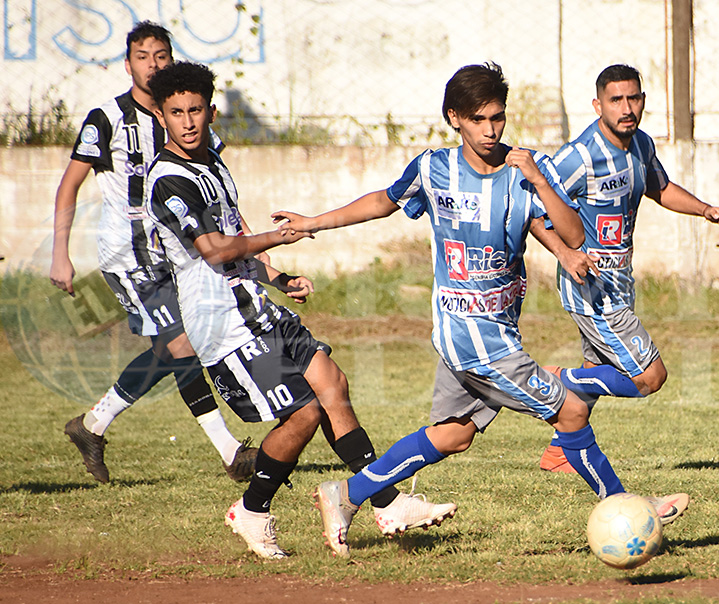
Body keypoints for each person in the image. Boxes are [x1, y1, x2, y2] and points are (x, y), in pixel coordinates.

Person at [272, 62, 688, 559]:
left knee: (454, 435)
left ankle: (344, 495)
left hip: (499, 329)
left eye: (498, 118)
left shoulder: (527, 171)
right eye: (478, 120)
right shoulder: (434, 168)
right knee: (571, 408)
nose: (491, 131)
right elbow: (382, 202)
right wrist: (313, 222)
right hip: (467, 334)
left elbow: (573, 233)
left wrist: (539, 182)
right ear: (455, 118)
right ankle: (625, 505)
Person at [145, 61, 456, 560]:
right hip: (226, 327)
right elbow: (215, 249)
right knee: (305, 411)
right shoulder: (169, 180)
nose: (188, 121)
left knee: (332, 384)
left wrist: (277, 277)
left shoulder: (213, 163)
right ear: (161, 116)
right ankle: (251, 509)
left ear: (211, 111)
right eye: (176, 112)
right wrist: (281, 236)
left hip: (255, 306)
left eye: (196, 110)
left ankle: (387, 503)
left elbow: (236, 246)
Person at [49, 21, 256, 483]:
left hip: (178, 254)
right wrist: (60, 253)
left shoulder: (184, 118)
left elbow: (219, 192)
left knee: (180, 345)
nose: (153, 64)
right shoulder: (106, 118)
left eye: (161, 55)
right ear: (128, 64)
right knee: (181, 344)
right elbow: (69, 186)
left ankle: (92, 425)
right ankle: (230, 452)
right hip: (130, 255)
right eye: (142, 57)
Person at [531, 64, 719, 473]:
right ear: (597, 105)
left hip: (619, 283)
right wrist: (566, 255)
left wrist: (705, 209)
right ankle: (555, 380)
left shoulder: (641, 144)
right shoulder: (579, 156)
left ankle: (559, 452)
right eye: (616, 100)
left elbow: (660, 188)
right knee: (650, 377)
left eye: (634, 98)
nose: (627, 108)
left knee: (599, 369)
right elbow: (533, 211)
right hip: (590, 289)